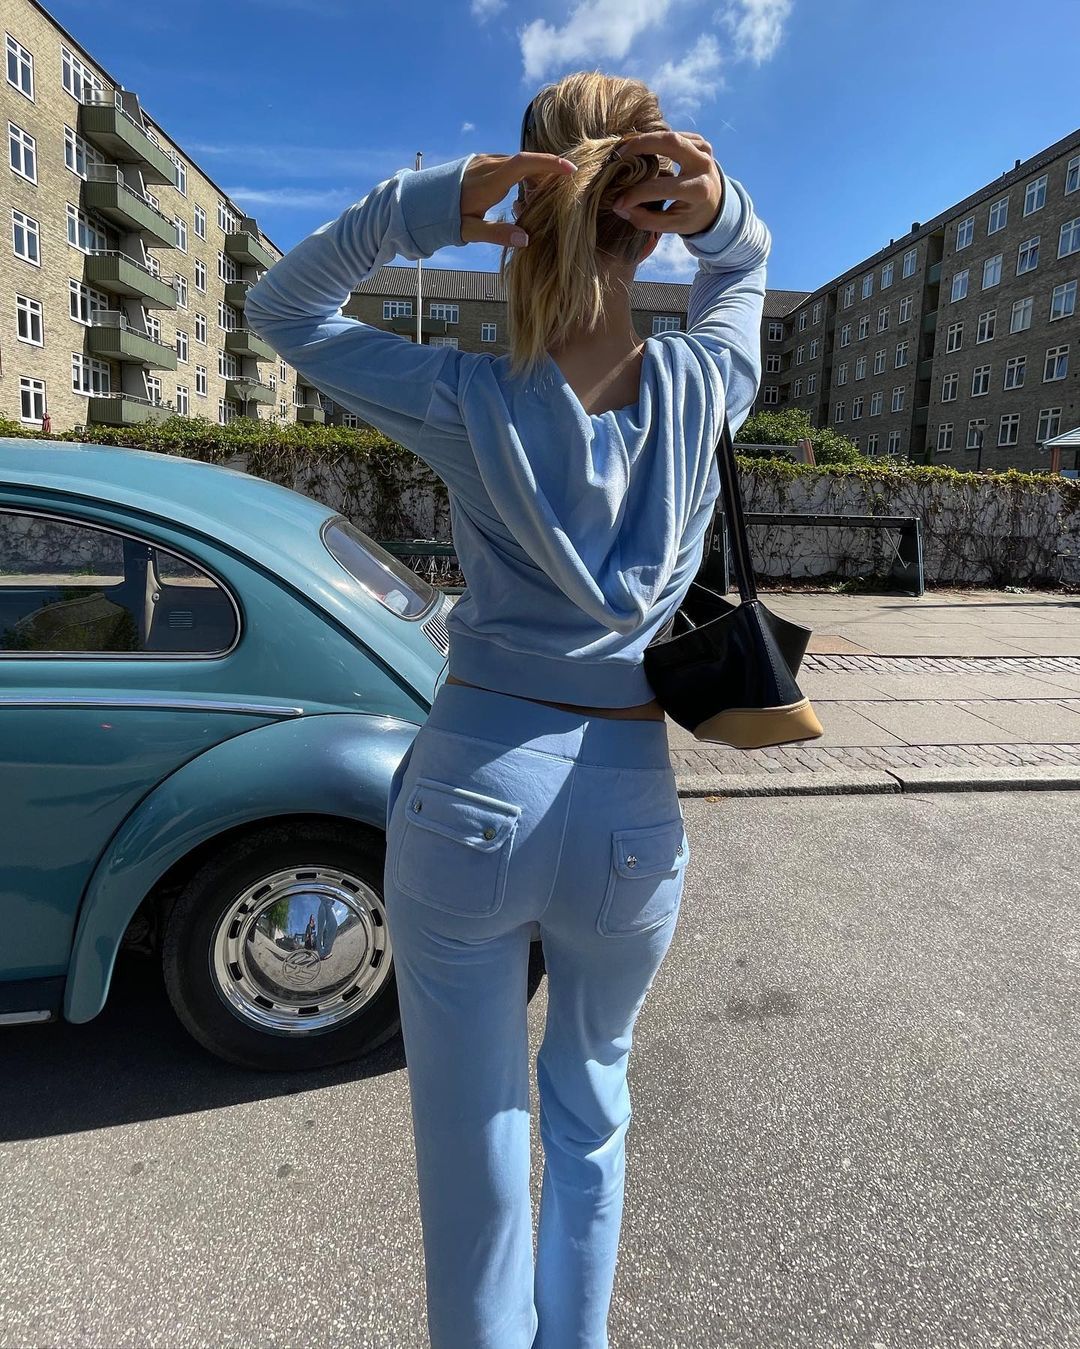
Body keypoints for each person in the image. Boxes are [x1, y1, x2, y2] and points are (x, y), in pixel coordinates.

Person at [245, 69, 770, 1349]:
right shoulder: (703, 386)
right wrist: (720, 214)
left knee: (470, 1129)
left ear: (526, 212)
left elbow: (282, 307)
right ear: (647, 218)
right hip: (630, 813)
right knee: (593, 1109)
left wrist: (425, 206)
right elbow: (743, 266)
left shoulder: (466, 394)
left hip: (474, 783)